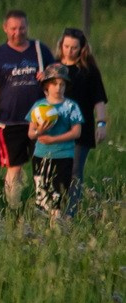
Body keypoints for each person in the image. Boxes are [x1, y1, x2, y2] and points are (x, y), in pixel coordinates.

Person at [0, 9, 52, 206]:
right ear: (5, 28)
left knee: (44, 165)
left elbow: (59, 80)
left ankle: (45, 207)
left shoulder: (40, 50)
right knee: (14, 168)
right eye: (13, 28)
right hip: (10, 121)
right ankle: (14, 208)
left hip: (40, 120)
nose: (18, 32)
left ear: (27, 27)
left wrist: (47, 75)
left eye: (22, 28)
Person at [26, 63, 85, 219]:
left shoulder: (71, 106)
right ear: (46, 85)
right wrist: (40, 131)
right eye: (54, 84)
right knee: (42, 196)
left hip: (63, 156)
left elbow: (76, 132)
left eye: (62, 84)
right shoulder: (39, 107)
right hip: (41, 155)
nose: (58, 88)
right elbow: (31, 134)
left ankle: (56, 228)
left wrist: (53, 139)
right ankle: (42, 233)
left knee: (58, 195)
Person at [58, 29, 107, 196]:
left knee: (75, 171)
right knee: (56, 171)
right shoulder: (55, 67)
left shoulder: (89, 70)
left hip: (81, 128)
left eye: (74, 47)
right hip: (56, 127)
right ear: (61, 46)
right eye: (66, 46)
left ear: (82, 48)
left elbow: (99, 99)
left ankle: (70, 214)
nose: (69, 51)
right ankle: (54, 208)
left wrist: (101, 123)